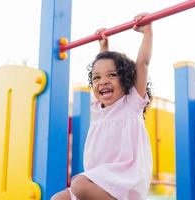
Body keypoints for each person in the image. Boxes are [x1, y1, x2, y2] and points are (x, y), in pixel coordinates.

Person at [51, 13, 153, 200]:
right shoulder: (98, 108)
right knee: (57, 198)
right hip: (100, 180)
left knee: (79, 184)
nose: (103, 82)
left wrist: (148, 33)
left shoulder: (131, 103)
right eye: (96, 78)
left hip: (124, 179)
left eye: (112, 75)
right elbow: (102, 66)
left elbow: (142, 64)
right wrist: (103, 48)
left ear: (127, 79)